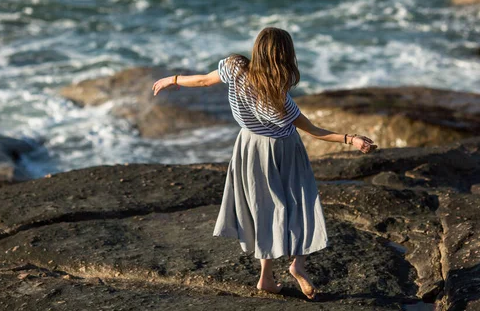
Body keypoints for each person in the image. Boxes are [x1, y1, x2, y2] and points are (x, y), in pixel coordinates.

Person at [152, 27, 375, 300]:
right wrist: (351, 139)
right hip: (284, 151)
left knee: (264, 210)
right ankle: (297, 265)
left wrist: (173, 79)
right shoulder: (279, 100)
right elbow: (315, 131)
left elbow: (203, 81)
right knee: (301, 205)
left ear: (258, 50)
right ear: (285, 58)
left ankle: (266, 277)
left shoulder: (234, 68)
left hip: (249, 148)